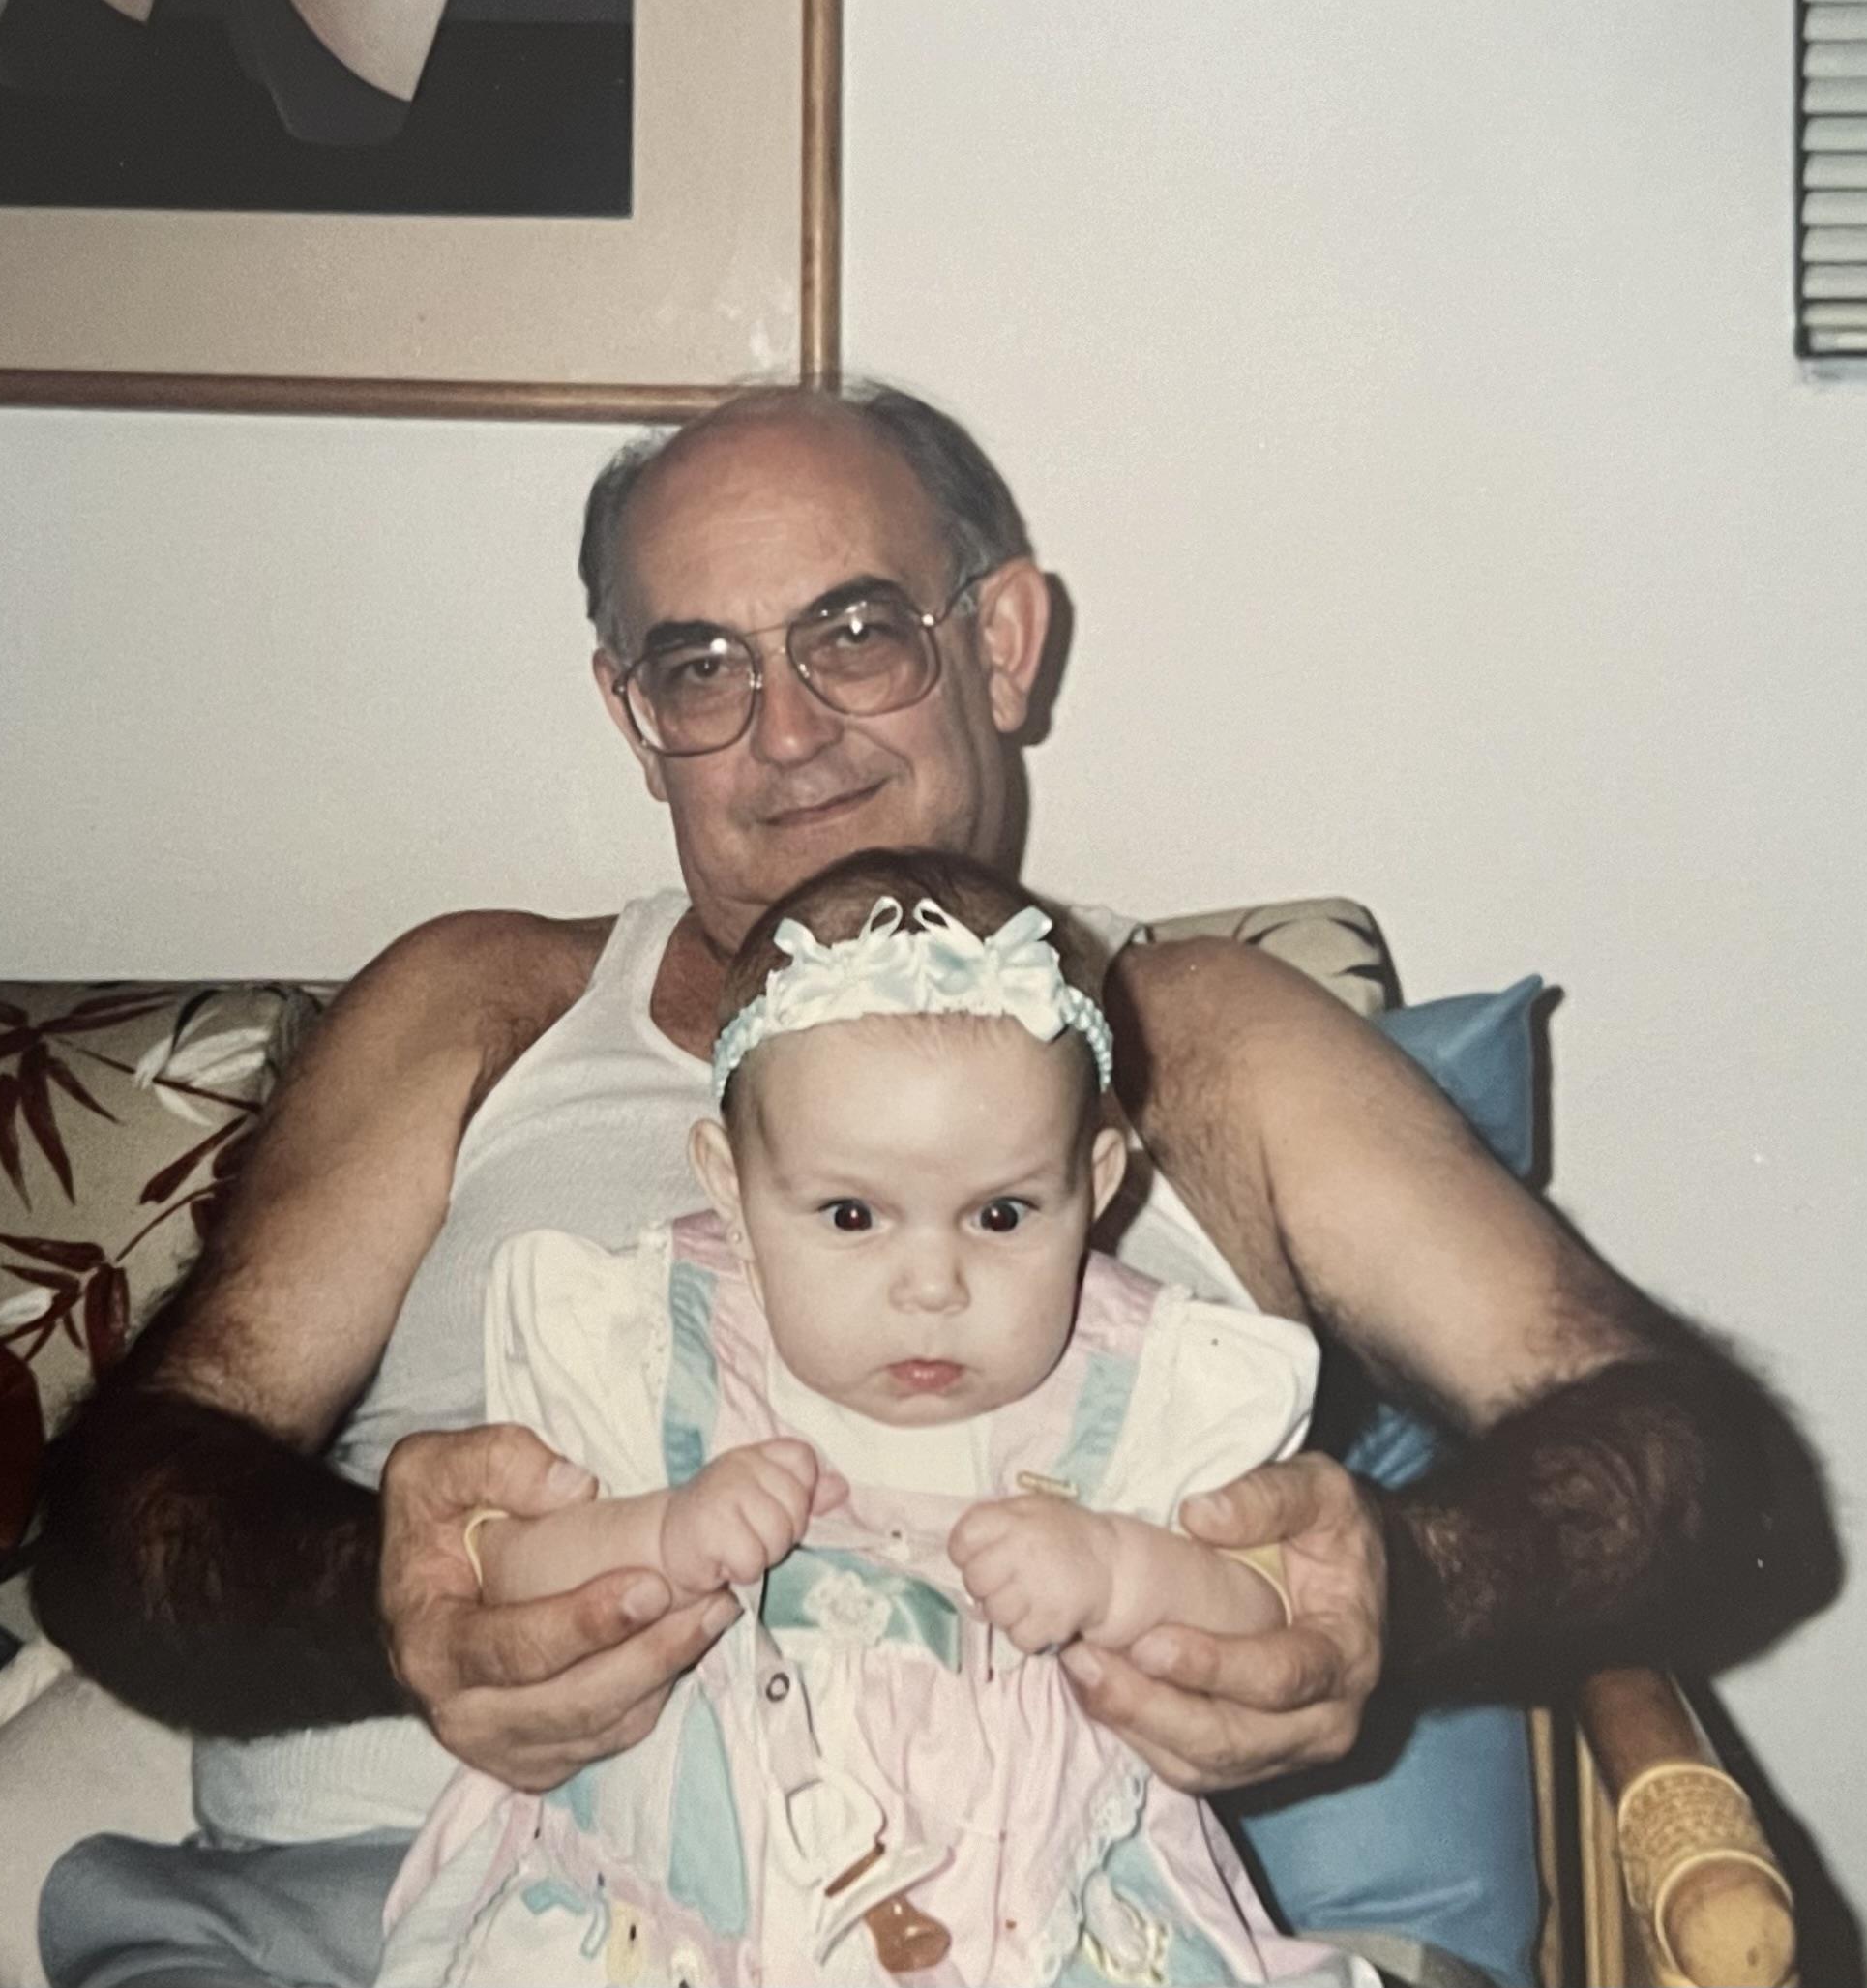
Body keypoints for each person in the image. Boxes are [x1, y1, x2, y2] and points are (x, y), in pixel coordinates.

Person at [31, 380, 1839, 1988]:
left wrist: (1405, 1582)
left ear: (1005, 641)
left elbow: (1704, 1462)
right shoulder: (480, 1004)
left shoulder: (1203, 1044)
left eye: (856, 631)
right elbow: (123, 1518)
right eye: (700, 664)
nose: (786, 729)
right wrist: (390, 1600)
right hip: (385, 1907)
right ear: (626, 706)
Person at [375, 849, 1366, 1987]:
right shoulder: (653, 1348)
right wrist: (654, 1536)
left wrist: (1120, 1572)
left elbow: (1263, 1607)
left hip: (1042, 1938)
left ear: (1094, 1185)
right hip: (674, 1934)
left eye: (1000, 1214)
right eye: (851, 1214)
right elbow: (503, 1576)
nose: (932, 1285)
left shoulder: (1136, 1387)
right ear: (731, 1192)